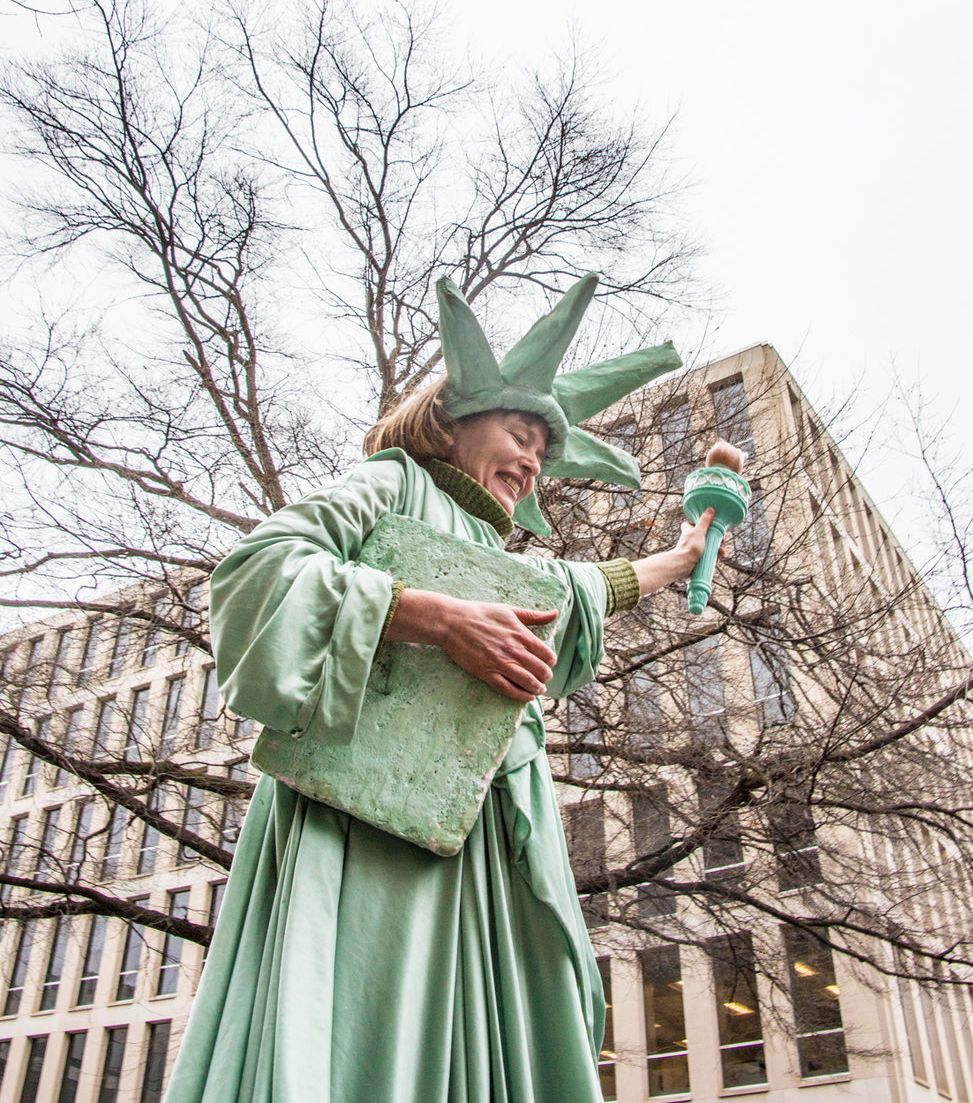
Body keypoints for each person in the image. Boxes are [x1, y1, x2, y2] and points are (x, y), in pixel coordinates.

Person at [164, 275, 717, 1103]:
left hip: (488, 829)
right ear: (451, 423)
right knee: (367, 1025)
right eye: (519, 433)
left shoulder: (508, 560)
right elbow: (259, 571)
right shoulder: (393, 485)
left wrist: (678, 559)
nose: (532, 461)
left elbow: (573, 592)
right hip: (364, 824)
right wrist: (428, 615)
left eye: (542, 451)